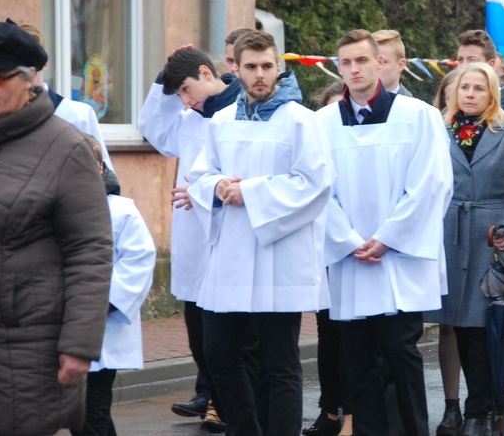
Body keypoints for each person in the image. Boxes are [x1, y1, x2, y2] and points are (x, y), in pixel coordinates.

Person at [188, 30, 334, 436]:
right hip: (232, 252)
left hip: (278, 255)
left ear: (278, 67)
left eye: (267, 66)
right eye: (251, 67)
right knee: (218, 352)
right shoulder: (219, 121)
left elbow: (315, 183)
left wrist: (249, 192)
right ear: (236, 68)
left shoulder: (300, 120)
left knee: (279, 361)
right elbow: (200, 174)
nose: (259, 75)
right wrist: (216, 187)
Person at [317, 29, 452, 436]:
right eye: (346, 62)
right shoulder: (321, 123)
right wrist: (349, 240)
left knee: (399, 353)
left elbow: (432, 183)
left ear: (379, 62)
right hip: (351, 258)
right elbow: (317, 189)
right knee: (356, 360)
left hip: (400, 257)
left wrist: (389, 237)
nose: (354, 69)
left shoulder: (418, 116)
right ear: (338, 68)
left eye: (362, 60)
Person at [0, 19, 113, 435]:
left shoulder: (66, 147)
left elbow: (90, 251)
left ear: (28, 80)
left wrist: (79, 345)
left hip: (24, 349)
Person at [138, 45, 242, 433]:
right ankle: (210, 392)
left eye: (185, 90)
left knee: (226, 328)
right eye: (178, 95)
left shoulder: (240, 112)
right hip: (193, 237)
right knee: (198, 325)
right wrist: (161, 80)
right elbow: (153, 128)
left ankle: (222, 399)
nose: (184, 101)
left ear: (205, 72)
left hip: (228, 230)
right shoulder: (189, 121)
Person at [424, 62, 504, 435]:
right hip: (449, 237)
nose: (470, 94)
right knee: (456, 324)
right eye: (465, 87)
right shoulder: (438, 132)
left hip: (492, 240)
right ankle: (471, 409)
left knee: (484, 326)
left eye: (478, 88)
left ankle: (481, 409)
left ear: (492, 95)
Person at [72, 135, 156, 436]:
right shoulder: (49, 208)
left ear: (99, 168)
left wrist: (104, 302)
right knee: (80, 416)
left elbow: (139, 258)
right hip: (58, 325)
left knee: (91, 412)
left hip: (101, 327)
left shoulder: (120, 211)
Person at [303, 77, 353, 436]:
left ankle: (354, 410)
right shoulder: (316, 137)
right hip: (326, 247)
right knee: (328, 333)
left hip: (360, 248)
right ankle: (329, 409)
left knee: (355, 337)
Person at [19, 22, 115, 173]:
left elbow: (105, 178)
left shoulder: (78, 115)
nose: (26, 73)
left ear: (44, 64)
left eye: (31, 64)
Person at [456, 29, 504, 127]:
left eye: (472, 60)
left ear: (491, 64)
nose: (464, 66)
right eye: (460, 60)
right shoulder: (450, 105)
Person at [372, 29, 413, 97]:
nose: (375, 66)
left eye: (383, 62)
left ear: (400, 65)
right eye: (370, 61)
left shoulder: (414, 106)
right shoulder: (351, 103)